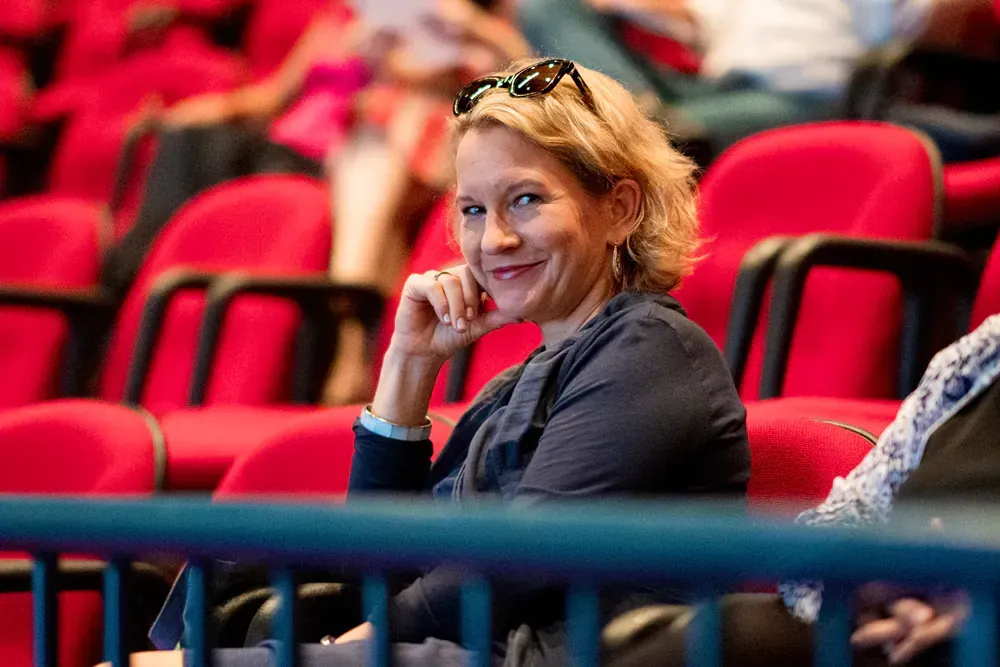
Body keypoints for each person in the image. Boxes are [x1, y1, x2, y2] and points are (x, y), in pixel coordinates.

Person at [126, 57, 751, 667]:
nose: (493, 239)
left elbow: (517, 560)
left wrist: (344, 647)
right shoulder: (515, 385)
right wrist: (408, 367)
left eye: (527, 199)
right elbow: (381, 563)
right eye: (474, 210)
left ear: (619, 209)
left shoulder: (651, 348)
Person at [100, 0, 532, 406]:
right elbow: (273, 96)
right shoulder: (344, 18)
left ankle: (349, 330)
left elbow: (510, 82)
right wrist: (197, 111)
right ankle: (140, 257)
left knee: (368, 157)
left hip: (350, 148)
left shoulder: (465, 19)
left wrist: (449, 35)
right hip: (311, 141)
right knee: (186, 139)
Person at [607, 313, 1000, 667]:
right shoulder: (981, 355)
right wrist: (865, 575)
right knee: (705, 641)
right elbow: (843, 516)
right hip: (879, 630)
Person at [515, 0, 952, 160]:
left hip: (803, 96)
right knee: (546, 4)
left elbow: (915, 23)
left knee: (658, 135)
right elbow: (700, 23)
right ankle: (633, 114)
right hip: (717, 89)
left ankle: (638, 126)